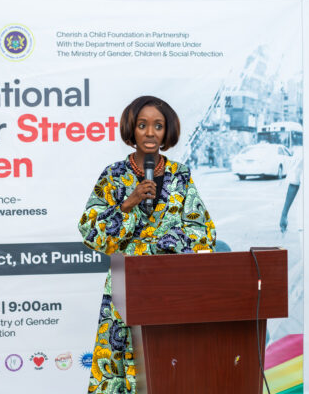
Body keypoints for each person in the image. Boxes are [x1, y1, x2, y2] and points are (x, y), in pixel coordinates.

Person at [78, 95, 216, 394]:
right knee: (121, 364)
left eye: (158, 126)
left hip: (172, 287)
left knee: (170, 367)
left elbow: (203, 233)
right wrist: (128, 204)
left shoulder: (181, 175)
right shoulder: (113, 175)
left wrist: (164, 243)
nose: (150, 133)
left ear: (167, 132)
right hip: (126, 287)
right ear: (132, 130)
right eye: (142, 125)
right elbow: (90, 233)